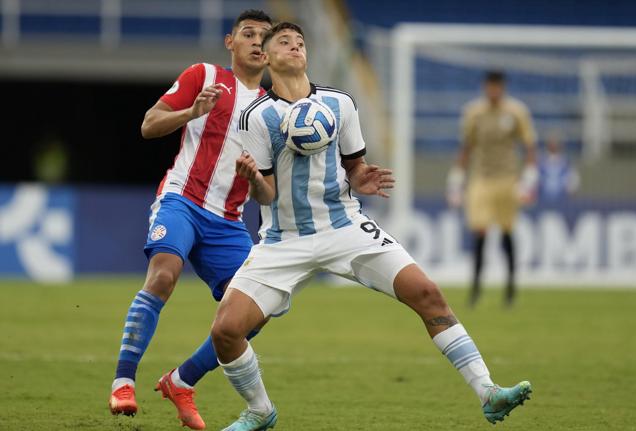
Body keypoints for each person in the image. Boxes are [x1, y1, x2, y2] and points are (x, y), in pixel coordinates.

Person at [209, 22, 532, 431]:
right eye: (284, 43)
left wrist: (360, 177)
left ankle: (488, 392)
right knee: (226, 330)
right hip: (284, 239)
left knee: (428, 294)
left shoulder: (340, 103)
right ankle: (259, 411)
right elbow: (267, 195)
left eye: (300, 42)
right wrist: (253, 179)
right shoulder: (257, 117)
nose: (295, 47)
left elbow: (354, 166)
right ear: (268, 57)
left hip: (344, 226)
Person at [108, 10, 273, 430]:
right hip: (182, 199)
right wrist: (190, 113)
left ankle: (181, 381)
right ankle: (123, 382)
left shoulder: (274, 111)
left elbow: (268, 193)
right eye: (248, 34)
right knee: (163, 275)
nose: (256, 42)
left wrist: (254, 178)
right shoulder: (204, 76)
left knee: (256, 311)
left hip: (229, 222)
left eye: (264, 38)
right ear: (229, 42)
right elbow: (148, 125)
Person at [447, 71, 538, 307]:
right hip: (481, 178)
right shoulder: (473, 112)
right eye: (490, 86)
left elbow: (529, 145)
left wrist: (529, 178)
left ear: (503, 87)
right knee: (480, 230)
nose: (493, 91)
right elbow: (466, 147)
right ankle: (475, 289)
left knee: (507, 231)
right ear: (485, 87)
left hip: (508, 178)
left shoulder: (516, 111)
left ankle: (510, 289)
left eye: (497, 86)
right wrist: (457, 178)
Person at [538, 132, 580, 204]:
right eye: (551, 142)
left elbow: (573, 179)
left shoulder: (566, 162)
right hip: (543, 198)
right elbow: (535, 178)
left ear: (560, 145)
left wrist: (571, 191)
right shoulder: (540, 161)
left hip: (562, 199)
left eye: (556, 142)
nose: (554, 145)